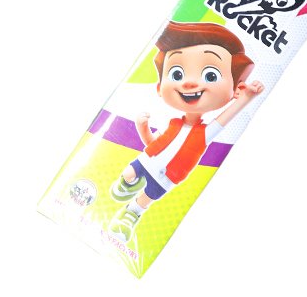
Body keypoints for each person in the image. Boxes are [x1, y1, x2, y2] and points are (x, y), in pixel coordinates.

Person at [109, 21, 264, 243]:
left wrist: (247, 98)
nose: (190, 83)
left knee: (146, 199)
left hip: (168, 176)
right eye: (177, 73)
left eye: (211, 75)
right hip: (147, 160)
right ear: (159, 86)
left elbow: (225, 118)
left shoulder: (205, 133)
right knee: (128, 174)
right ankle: (127, 185)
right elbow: (155, 143)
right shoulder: (173, 123)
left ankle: (130, 215)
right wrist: (142, 128)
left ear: (236, 89)